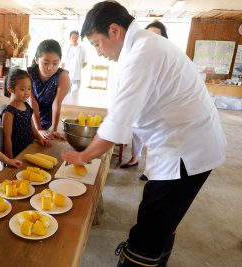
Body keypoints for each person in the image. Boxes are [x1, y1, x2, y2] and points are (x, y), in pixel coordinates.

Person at [61, 1, 226, 266]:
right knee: (164, 221)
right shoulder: (146, 45)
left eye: (96, 44)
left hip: (184, 153)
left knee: (150, 228)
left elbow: (117, 122)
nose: (98, 53)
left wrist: (84, 157)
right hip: (187, 145)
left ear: (114, 30)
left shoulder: (142, 53)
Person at [120, 20, 168, 182]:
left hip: (160, 107)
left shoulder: (166, 55)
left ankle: (151, 170)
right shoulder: (138, 55)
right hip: (143, 103)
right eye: (148, 34)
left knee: (155, 138)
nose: (151, 38)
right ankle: (135, 158)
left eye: (156, 35)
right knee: (138, 131)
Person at [2, 68, 51, 159]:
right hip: (17, 154)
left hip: (29, 149)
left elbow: (32, 127)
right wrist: (10, 159)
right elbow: (7, 138)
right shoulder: (9, 112)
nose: (27, 92)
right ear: (11, 89)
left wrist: (41, 138)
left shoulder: (27, 106)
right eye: (22, 89)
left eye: (29, 88)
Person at [28, 39, 71, 140]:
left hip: (49, 120)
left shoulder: (63, 76)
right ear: (36, 60)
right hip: (30, 119)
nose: (50, 68)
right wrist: (38, 129)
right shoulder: (29, 74)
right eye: (45, 63)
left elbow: (57, 103)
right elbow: (32, 102)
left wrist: (54, 130)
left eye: (55, 63)